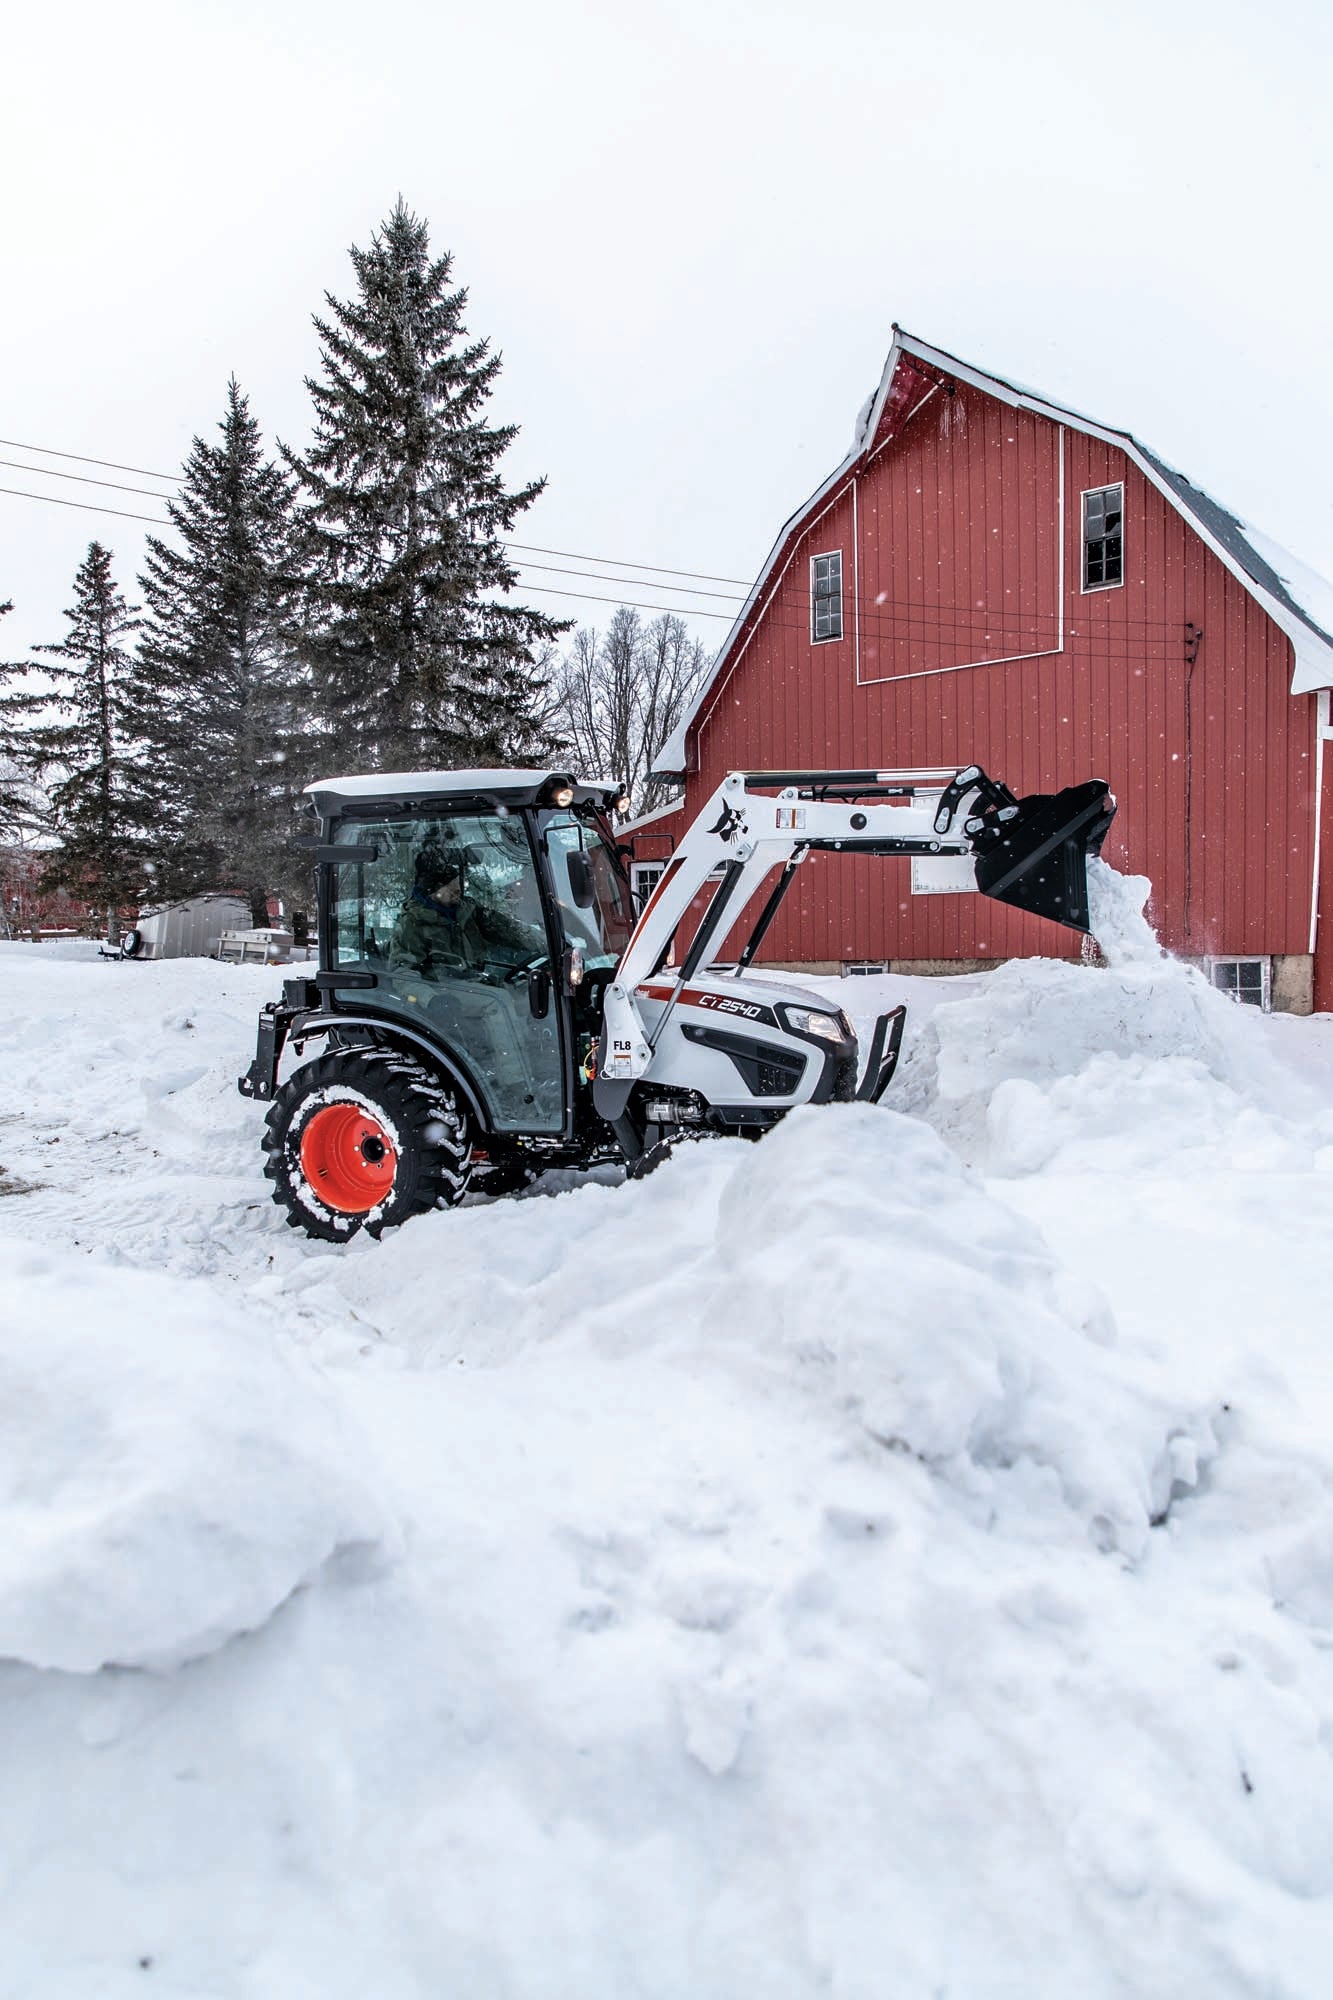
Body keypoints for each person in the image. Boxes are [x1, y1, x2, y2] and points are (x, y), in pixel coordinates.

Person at [389, 845, 545, 982]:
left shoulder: (466, 909)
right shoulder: (413, 922)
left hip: (473, 981)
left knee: (523, 992)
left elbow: (509, 930)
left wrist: (544, 943)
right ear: (433, 890)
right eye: (451, 890)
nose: (457, 894)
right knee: (496, 1005)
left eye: (458, 888)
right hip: (442, 991)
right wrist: (430, 999)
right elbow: (403, 972)